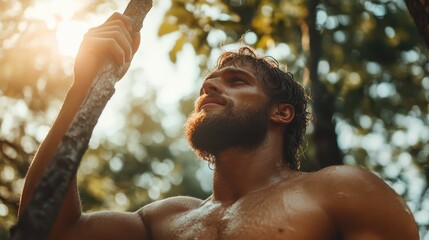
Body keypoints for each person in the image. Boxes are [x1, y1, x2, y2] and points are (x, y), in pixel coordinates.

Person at [18, 12, 419, 240]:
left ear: (281, 112)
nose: (209, 86)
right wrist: (82, 87)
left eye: (237, 81)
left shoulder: (342, 189)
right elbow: (50, 228)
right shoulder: (163, 220)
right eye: (208, 83)